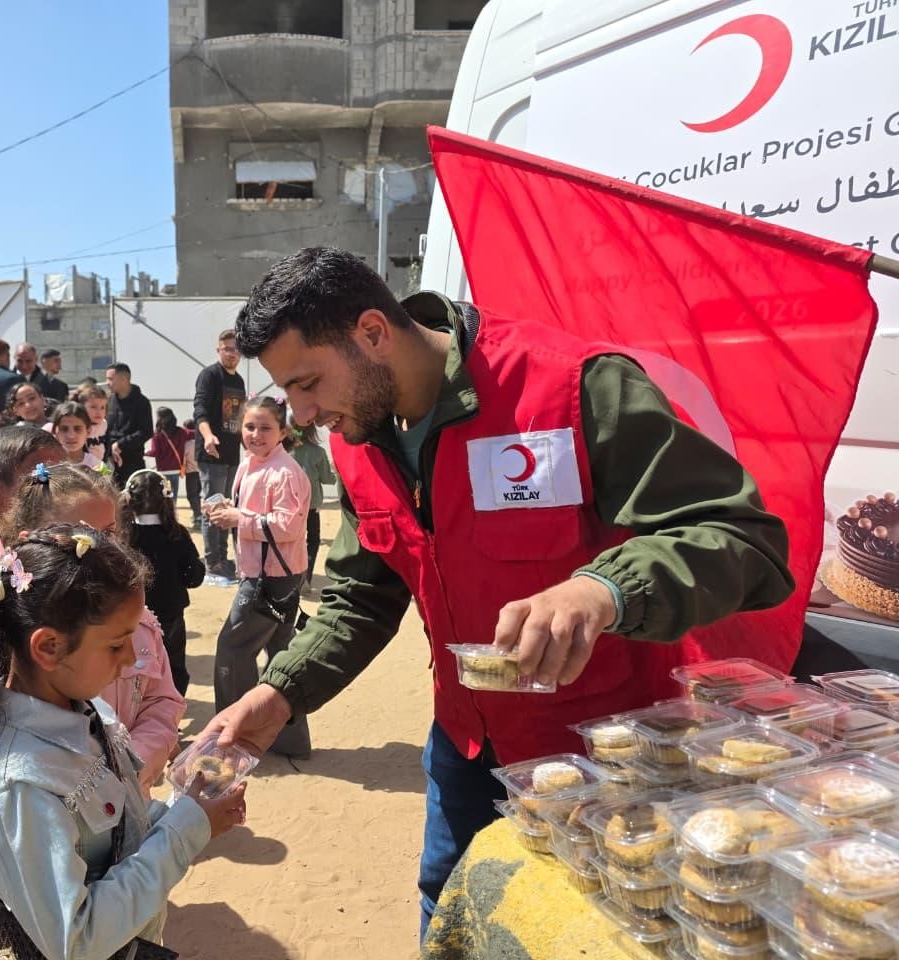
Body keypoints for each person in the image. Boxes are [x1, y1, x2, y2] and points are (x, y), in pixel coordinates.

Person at [205, 247, 796, 938]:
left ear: (372, 333)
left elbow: (743, 536)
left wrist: (603, 590)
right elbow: (361, 598)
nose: (302, 414)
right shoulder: (359, 442)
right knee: (453, 912)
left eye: (308, 383)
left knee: (600, 933)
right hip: (465, 748)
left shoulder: (572, 387)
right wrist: (282, 690)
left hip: (607, 765)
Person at [0, 525, 246, 959]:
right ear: (49, 647)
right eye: (116, 645)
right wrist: (183, 834)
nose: (132, 659)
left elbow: (112, 829)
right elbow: (77, 941)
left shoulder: (87, 709)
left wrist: (186, 810)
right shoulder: (23, 784)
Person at [0, 458, 185, 796]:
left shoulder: (136, 618)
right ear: (30, 539)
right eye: (80, 533)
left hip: (124, 798)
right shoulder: (3, 625)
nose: (100, 546)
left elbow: (163, 701)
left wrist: (131, 762)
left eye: (108, 531)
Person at [208, 396, 312, 758]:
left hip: (271, 578)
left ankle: (235, 738)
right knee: (280, 655)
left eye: (266, 427)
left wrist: (240, 520)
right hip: (263, 573)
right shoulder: (248, 465)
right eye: (250, 426)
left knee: (232, 652)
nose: (255, 434)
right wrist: (228, 512)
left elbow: (289, 525)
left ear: (283, 431)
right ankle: (288, 742)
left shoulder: (285, 472)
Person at [123, 469, 205, 695]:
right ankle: (171, 714)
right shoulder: (176, 533)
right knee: (173, 664)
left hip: (132, 614)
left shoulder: (124, 536)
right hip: (170, 613)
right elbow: (194, 576)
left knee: (135, 663)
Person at [193, 329, 246, 581]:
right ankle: (212, 561)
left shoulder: (238, 381)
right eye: (227, 348)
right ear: (218, 350)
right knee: (213, 507)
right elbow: (200, 410)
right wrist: (207, 436)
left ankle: (223, 558)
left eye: (235, 349)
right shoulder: (209, 375)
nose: (231, 353)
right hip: (211, 454)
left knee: (227, 507)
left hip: (232, 454)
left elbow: (239, 419)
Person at [288, 423, 336, 589]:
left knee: (292, 540)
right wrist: (334, 471)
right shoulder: (318, 452)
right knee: (312, 540)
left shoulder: (284, 450)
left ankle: (289, 577)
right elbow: (328, 479)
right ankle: (305, 578)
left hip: (288, 505)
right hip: (311, 505)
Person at [104, 362, 153, 488]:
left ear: (124, 379)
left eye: (110, 379)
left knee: (133, 499)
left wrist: (121, 444)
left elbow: (146, 431)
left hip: (132, 462)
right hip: (108, 462)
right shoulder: (109, 401)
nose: (107, 383)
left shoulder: (142, 402)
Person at [145, 406, 190, 501]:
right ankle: (173, 514)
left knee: (165, 497)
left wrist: (144, 453)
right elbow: (193, 433)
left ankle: (166, 515)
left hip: (163, 472)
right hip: (176, 470)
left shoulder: (158, 435)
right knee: (173, 498)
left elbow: (155, 452)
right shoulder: (181, 432)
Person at [51, 401, 104, 470]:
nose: (71, 436)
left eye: (77, 429)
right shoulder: (47, 466)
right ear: (55, 431)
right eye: (64, 429)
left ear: (88, 431)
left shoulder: (97, 467)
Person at [77, 384, 109, 460]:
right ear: (82, 407)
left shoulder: (104, 424)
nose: (99, 412)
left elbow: (106, 444)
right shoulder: (79, 426)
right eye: (93, 407)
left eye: (102, 407)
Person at [183, 417, 203, 526]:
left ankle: (197, 515)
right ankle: (198, 514)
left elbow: (184, 459)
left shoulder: (187, 444)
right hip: (202, 472)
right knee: (199, 494)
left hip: (191, 473)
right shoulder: (201, 441)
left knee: (191, 495)